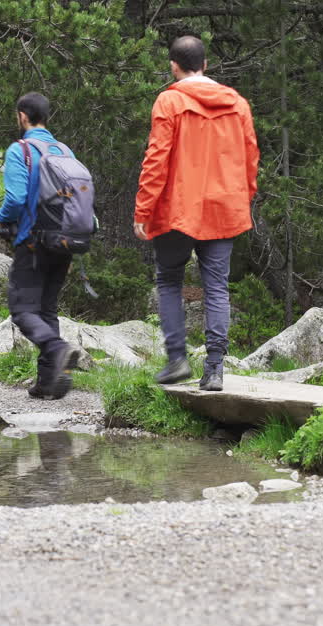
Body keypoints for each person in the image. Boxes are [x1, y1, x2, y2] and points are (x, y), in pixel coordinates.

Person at [134, 36, 259, 392]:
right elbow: (251, 158)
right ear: (205, 64)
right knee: (216, 287)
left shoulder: (169, 100)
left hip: (178, 209)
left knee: (169, 281)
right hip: (223, 209)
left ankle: (177, 361)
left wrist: (144, 208)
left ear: (174, 65)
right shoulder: (237, 104)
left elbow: (156, 158)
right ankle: (215, 369)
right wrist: (243, 198)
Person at [0, 92, 77, 400]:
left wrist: (2, 218)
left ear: (22, 116)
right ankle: (49, 382)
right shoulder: (64, 150)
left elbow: (15, 199)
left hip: (34, 241)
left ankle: (57, 349)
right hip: (66, 240)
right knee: (47, 308)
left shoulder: (21, 150)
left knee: (21, 309)